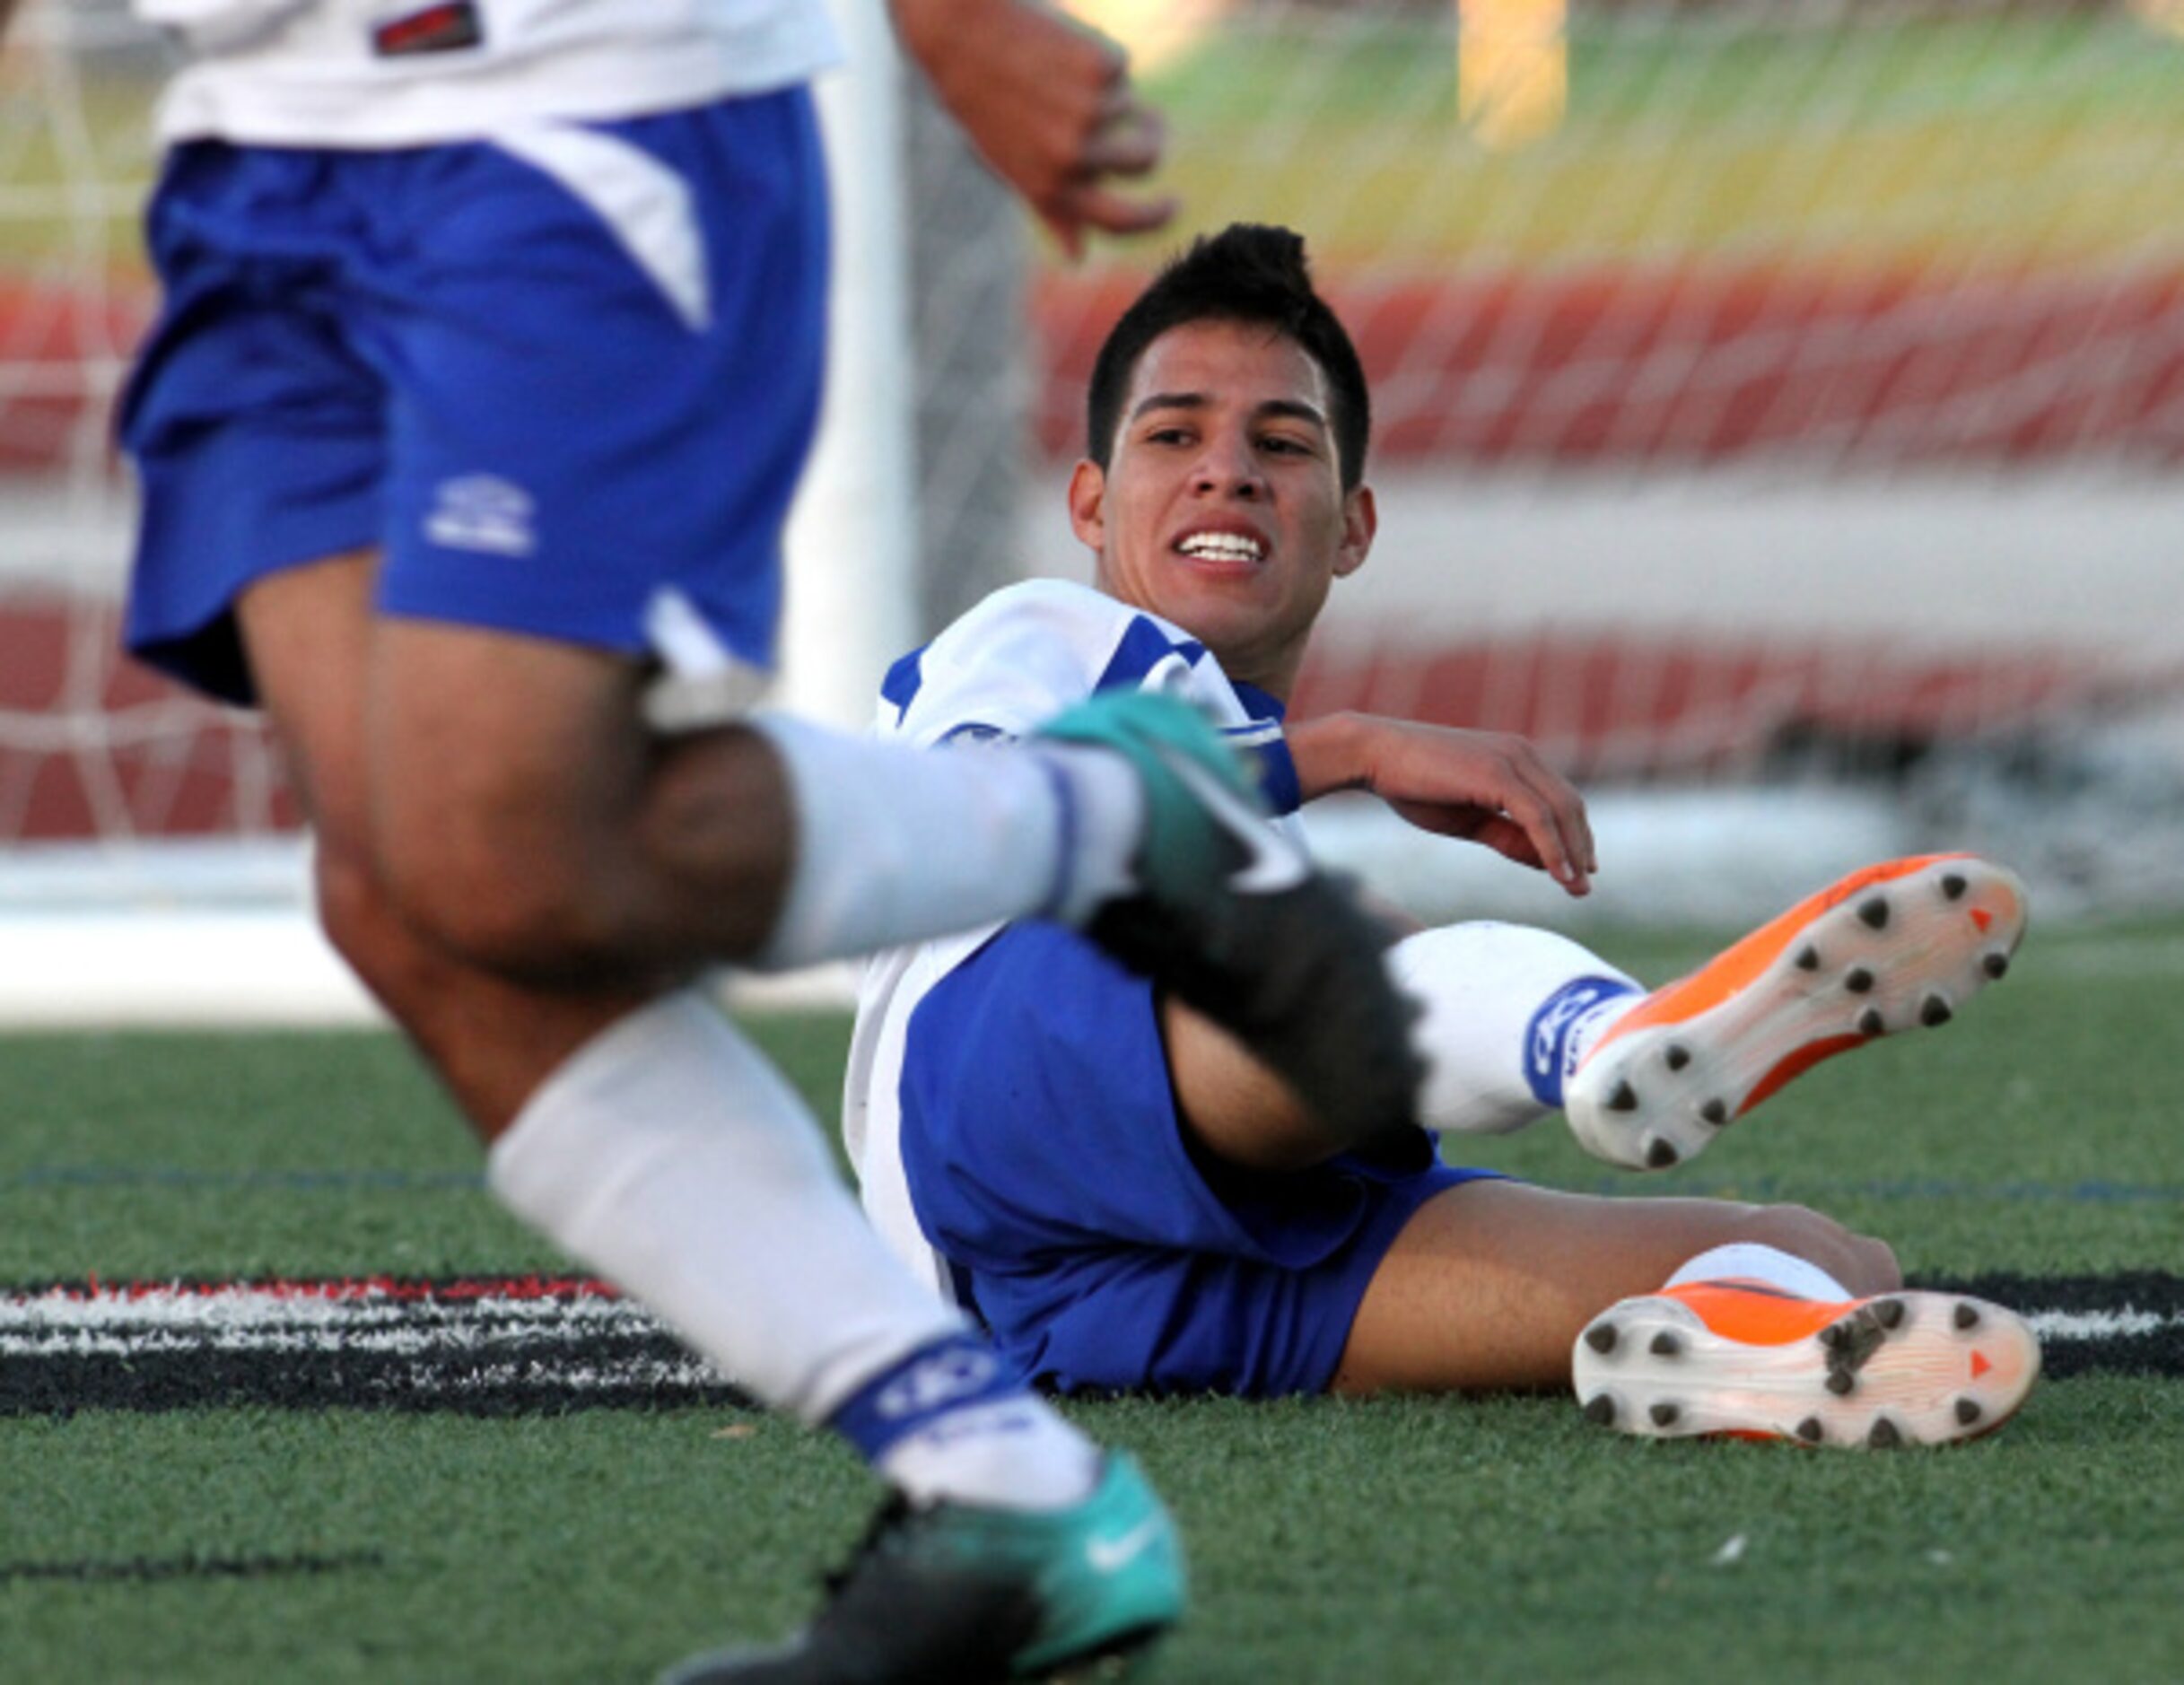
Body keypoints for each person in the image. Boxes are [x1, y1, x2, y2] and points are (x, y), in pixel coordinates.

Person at [96, 6, 1431, 1681]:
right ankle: (1000, 1487)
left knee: (505, 848)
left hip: (565, 96)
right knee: (400, 900)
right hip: (261, 134)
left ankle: (1101, 816)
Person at [846, 222, 2042, 1452]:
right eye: (1172, 435)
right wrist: (1346, 747)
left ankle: (1757, 1347)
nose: (1226, 470)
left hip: (1064, 1303)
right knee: (1332, 932)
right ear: (1089, 505)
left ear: (1352, 526)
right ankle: (1606, 1040)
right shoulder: (1041, 631)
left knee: (1818, 1254)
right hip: (984, 1087)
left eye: (1280, 442)